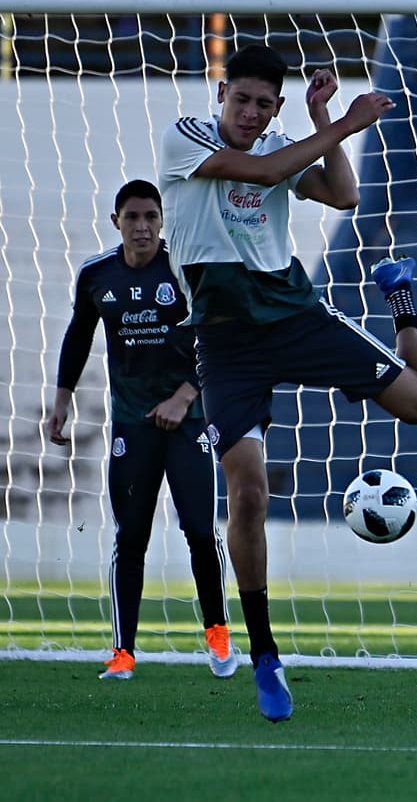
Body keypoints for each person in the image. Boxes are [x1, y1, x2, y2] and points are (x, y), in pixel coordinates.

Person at [158, 44, 417, 722]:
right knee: (249, 494)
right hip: (226, 342)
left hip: (294, 314)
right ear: (220, 97)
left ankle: (401, 299)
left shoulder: (288, 137)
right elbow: (258, 170)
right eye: (241, 101)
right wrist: (341, 124)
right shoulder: (187, 137)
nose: (250, 114)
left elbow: (343, 193)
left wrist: (321, 117)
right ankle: (264, 655)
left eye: (264, 105)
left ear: (277, 107)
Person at [45, 179, 236, 682]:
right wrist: (62, 400)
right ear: (116, 222)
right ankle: (123, 653)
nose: (143, 226)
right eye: (133, 217)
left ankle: (218, 634)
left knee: (199, 530)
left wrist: (184, 395)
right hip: (132, 424)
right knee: (131, 537)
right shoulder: (96, 276)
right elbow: (78, 335)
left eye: (151, 216)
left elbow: (219, 339)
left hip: (188, 422)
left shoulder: (184, 270)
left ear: (162, 221)